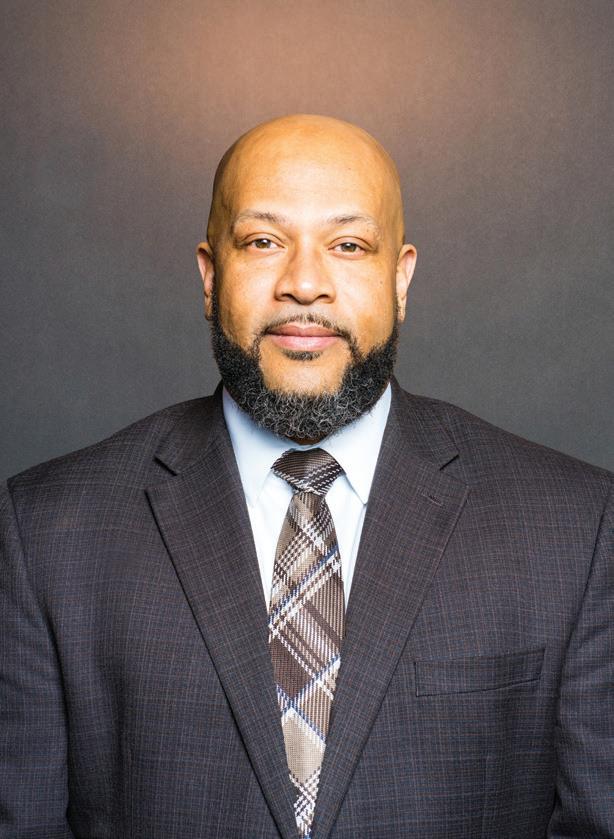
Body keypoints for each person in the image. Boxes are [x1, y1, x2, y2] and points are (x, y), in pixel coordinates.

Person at [1, 114, 612, 839]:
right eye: (263, 242)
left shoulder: (577, 527)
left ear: (400, 278)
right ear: (210, 275)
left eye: (348, 245)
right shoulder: (46, 531)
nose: (304, 284)